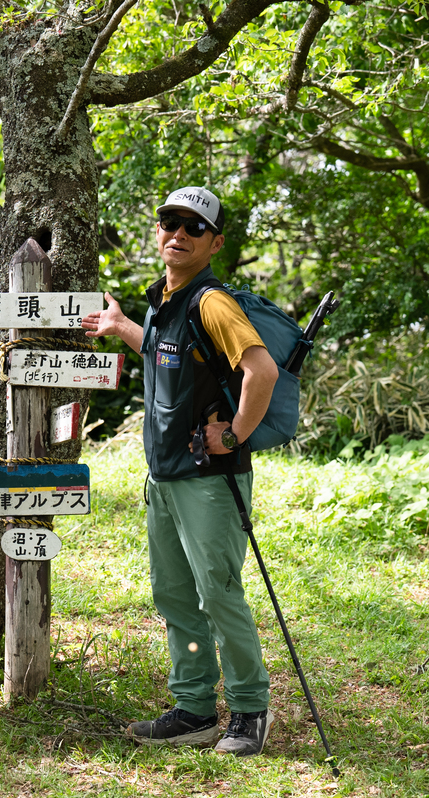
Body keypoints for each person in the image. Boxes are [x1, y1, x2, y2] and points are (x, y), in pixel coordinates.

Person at [81, 186, 279, 756]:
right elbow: (174, 361)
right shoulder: (166, 299)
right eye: (170, 222)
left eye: (194, 227)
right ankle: (194, 710)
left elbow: (259, 370)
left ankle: (248, 709)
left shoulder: (211, 302)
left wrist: (235, 432)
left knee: (217, 594)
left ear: (214, 242)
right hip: (165, 475)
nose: (178, 234)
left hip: (209, 481)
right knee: (174, 596)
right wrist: (123, 329)